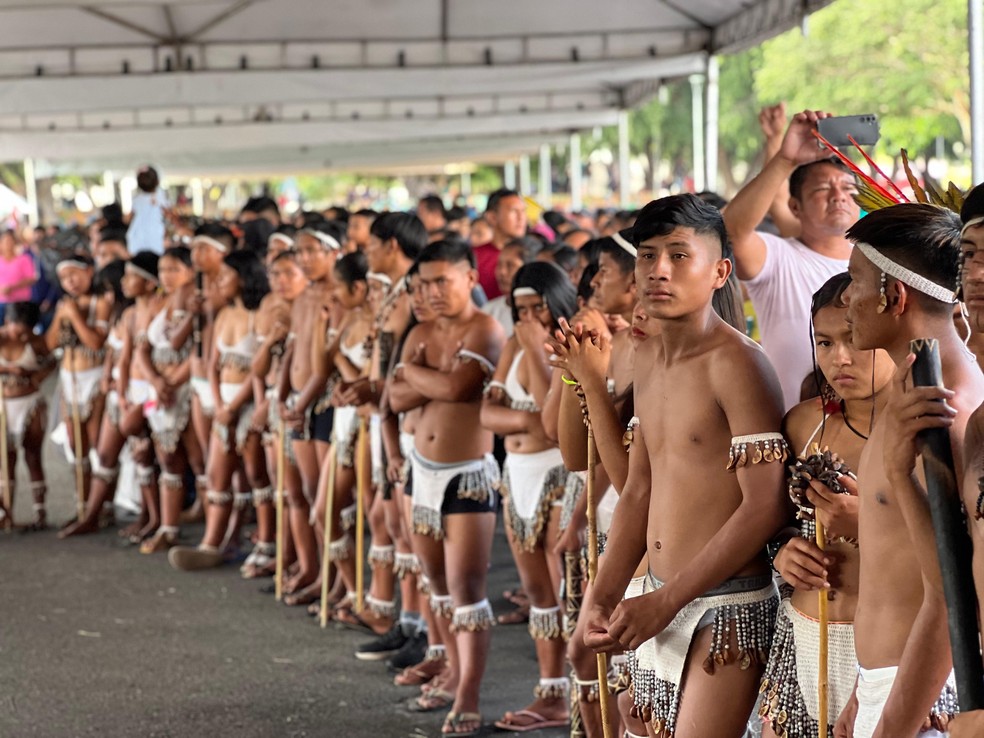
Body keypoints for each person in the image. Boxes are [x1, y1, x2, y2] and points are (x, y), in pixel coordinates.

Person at [583, 195, 787, 738]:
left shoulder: (740, 364)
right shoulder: (647, 354)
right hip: (651, 592)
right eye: (647, 256)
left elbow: (765, 505)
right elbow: (637, 491)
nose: (659, 271)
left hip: (724, 605)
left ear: (720, 271)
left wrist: (666, 601)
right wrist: (601, 596)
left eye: (679, 255)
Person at [836, 203, 983, 738]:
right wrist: (864, 689)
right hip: (891, 687)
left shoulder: (950, 410)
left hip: (930, 697)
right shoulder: (909, 385)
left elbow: (955, 596)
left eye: (854, 280)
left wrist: (892, 724)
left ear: (894, 296)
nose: (846, 297)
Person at [758, 273, 894, 738]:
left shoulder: (929, 429)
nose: (839, 358)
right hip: (801, 634)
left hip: (890, 651)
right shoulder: (802, 425)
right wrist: (781, 551)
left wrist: (867, 524)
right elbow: (766, 520)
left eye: (854, 339)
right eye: (824, 342)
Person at [388, 238, 505, 735]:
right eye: (424, 283)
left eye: (443, 281)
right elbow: (394, 399)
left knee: (466, 588)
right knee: (434, 584)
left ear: (470, 279)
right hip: (421, 468)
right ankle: (452, 670)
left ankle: (469, 693)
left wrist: (414, 371)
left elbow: (461, 389)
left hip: (466, 473)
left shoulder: (486, 329)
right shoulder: (420, 331)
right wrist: (428, 373)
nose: (433, 292)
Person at [481, 262, 578, 731]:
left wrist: (525, 418)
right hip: (515, 472)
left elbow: (552, 422)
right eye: (518, 309)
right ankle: (550, 691)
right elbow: (488, 414)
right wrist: (525, 422)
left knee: (565, 587)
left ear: (555, 302)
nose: (526, 317)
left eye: (536, 307)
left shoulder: (563, 348)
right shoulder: (513, 347)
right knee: (539, 592)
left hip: (556, 475)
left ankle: (581, 689)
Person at [723, 110, 859, 409]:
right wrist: (785, 159)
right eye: (823, 189)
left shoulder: (879, 264)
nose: (839, 196)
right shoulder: (779, 258)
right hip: (791, 432)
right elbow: (731, 232)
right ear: (795, 207)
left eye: (849, 189)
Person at [169, 251, 271, 570]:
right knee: (218, 475)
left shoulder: (259, 315)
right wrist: (218, 404)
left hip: (249, 403)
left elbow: (258, 371)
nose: (220, 282)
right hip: (222, 405)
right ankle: (212, 543)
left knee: (255, 476)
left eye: (226, 276)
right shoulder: (224, 315)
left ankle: (266, 542)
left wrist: (235, 406)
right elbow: (212, 366)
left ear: (244, 278)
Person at [59, 253, 163, 540]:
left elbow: (137, 355)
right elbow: (118, 354)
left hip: (146, 393)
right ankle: (91, 515)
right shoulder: (127, 314)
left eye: (131, 276)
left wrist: (132, 389)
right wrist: (113, 379)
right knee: (105, 455)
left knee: (144, 454)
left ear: (151, 282)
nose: (123, 283)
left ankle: (154, 519)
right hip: (123, 391)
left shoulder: (157, 309)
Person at [277, 220, 343, 597]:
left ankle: (335, 580)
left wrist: (301, 401)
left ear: (332, 253)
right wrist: (283, 392)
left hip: (322, 400)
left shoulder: (337, 295)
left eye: (309, 252)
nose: (302, 260)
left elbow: (327, 361)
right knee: (304, 488)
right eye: (298, 252)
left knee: (327, 497)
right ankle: (314, 569)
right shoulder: (303, 296)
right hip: (298, 399)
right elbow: (294, 347)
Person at [138, 247, 204, 553]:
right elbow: (141, 349)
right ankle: (168, 526)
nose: (166, 276)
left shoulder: (196, 299)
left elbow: (191, 346)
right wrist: (155, 380)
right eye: (163, 269)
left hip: (185, 386)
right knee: (167, 456)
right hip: (161, 387)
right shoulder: (158, 302)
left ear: (190, 270)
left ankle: (208, 524)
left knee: (197, 457)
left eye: (174, 269)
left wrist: (173, 382)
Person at [46, 252, 112, 522]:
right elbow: (51, 344)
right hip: (70, 378)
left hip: (94, 377)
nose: (70, 281)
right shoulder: (64, 305)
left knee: (97, 442)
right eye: (64, 277)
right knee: (77, 445)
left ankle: (101, 505)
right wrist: (62, 315)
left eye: (74, 274)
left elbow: (96, 342)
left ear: (88, 272)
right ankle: (82, 502)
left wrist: (73, 316)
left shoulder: (101, 303)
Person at [0, 302, 54, 531]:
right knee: (6, 460)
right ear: (7, 323)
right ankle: (7, 513)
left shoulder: (36, 342)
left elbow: (52, 361)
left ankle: (40, 512)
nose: (20, 335)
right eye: (16, 330)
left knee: (33, 456)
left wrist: (37, 376)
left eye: (25, 331)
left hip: (30, 402)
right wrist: (10, 370)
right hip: (4, 404)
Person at [473, 190, 528, 301]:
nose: (521, 217)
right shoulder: (474, 257)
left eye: (523, 211)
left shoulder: (536, 253)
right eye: (514, 211)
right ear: (492, 217)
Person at [479, 239, 531, 335]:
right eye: (499, 265)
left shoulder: (538, 316)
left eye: (510, 266)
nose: (502, 272)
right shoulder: (488, 310)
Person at [128, 165, 169, 255]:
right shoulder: (161, 197)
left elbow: (129, 218)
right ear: (158, 181)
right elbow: (168, 214)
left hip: (137, 236)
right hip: (156, 235)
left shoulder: (136, 199)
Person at [0, 229, 37, 326]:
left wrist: (12, 287)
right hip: (1, 302)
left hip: (20, 302)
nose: (8, 244)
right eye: (5, 241)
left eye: (10, 241)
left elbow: (32, 278)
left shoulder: (24, 259)